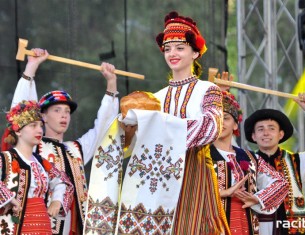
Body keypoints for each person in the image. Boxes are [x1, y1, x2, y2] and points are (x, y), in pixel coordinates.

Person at [84, 11, 230, 235]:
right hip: (156, 181)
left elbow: (212, 127)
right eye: (168, 48)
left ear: (195, 52)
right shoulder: (155, 98)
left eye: (180, 47)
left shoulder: (207, 89)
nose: (172, 53)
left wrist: (161, 125)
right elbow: (133, 146)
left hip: (194, 176)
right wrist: (128, 130)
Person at [7, 49, 119, 234]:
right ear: (42, 115)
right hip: (39, 226)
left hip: (73, 227)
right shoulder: (33, 147)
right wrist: (32, 67)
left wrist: (111, 84)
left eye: (67, 112)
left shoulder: (76, 149)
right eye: (57, 110)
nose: (64, 116)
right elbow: (20, 111)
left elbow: (103, 128)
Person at [210, 90, 289, 235]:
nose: (220, 122)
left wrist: (257, 198)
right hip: (212, 224)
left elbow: (281, 183)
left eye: (226, 118)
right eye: (216, 118)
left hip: (245, 224)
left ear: (235, 125)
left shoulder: (251, 157)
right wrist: (222, 193)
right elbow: (184, 189)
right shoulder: (200, 156)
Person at [244, 93, 305, 234]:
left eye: (271, 128)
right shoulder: (244, 163)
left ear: (281, 135)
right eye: (260, 129)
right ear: (253, 136)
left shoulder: (297, 162)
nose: (266, 133)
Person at [0, 100, 74, 235]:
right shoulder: (5, 159)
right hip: (14, 226)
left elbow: (65, 182)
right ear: (18, 131)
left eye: (41, 125)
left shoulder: (41, 162)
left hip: (42, 225)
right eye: (33, 125)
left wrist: (57, 200)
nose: (39, 130)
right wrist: (8, 197)